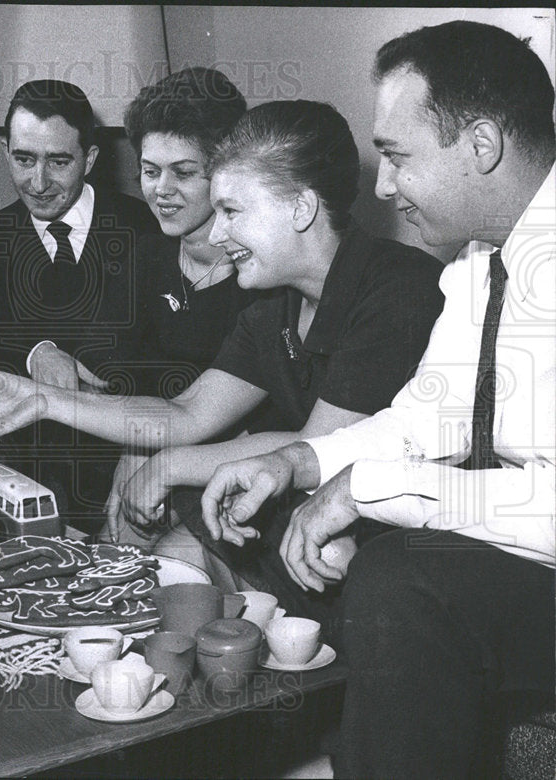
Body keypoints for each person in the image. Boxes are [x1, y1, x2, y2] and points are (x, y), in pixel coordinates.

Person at [199, 21, 555, 778]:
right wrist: (297, 463)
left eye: (396, 155)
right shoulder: (477, 264)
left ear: (481, 145)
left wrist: (368, 489)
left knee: (404, 579)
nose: (383, 186)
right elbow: (426, 421)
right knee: (387, 563)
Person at [0, 100, 445, 573]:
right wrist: (46, 400)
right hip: (291, 508)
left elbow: (317, 445)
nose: (217, 235)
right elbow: (187, 413)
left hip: (400, 539)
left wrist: (169, 465)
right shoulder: (274, 303)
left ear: (301, 207)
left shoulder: (399, 287)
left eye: (232, 211)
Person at [0, 79, 158, 529]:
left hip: (131, 455)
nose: (38, 182)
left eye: (59, 161)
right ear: (5, 153)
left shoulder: (145, 228)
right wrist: (40, 351)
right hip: (34, 468)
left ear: (89, 159)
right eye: (24, 159)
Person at [102, 67, 261, 542]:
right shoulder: (145, 258)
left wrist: (156, 469)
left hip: (232, 473)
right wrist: (130, 462)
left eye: (184, 173)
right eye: (150, 172)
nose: (161, 190)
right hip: (153, 454)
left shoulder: (260, 278)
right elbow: (134, 383)